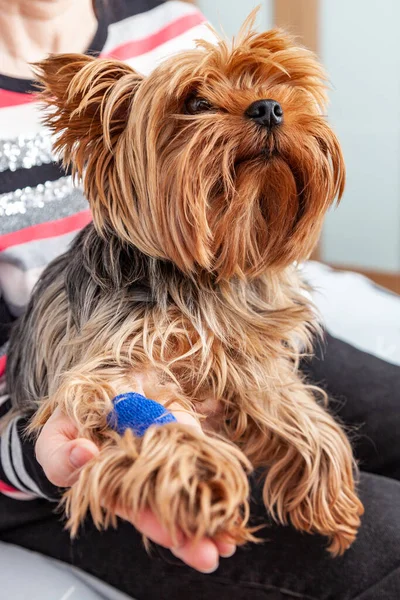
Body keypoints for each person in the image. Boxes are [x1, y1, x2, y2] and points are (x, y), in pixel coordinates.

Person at [0, 1, 399, 598]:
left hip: (234, 308)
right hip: (57, 401)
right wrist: (50, 446)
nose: (263, 110)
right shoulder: (99, 106)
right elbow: (112, 394)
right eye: (199, 104)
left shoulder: (164, 17)